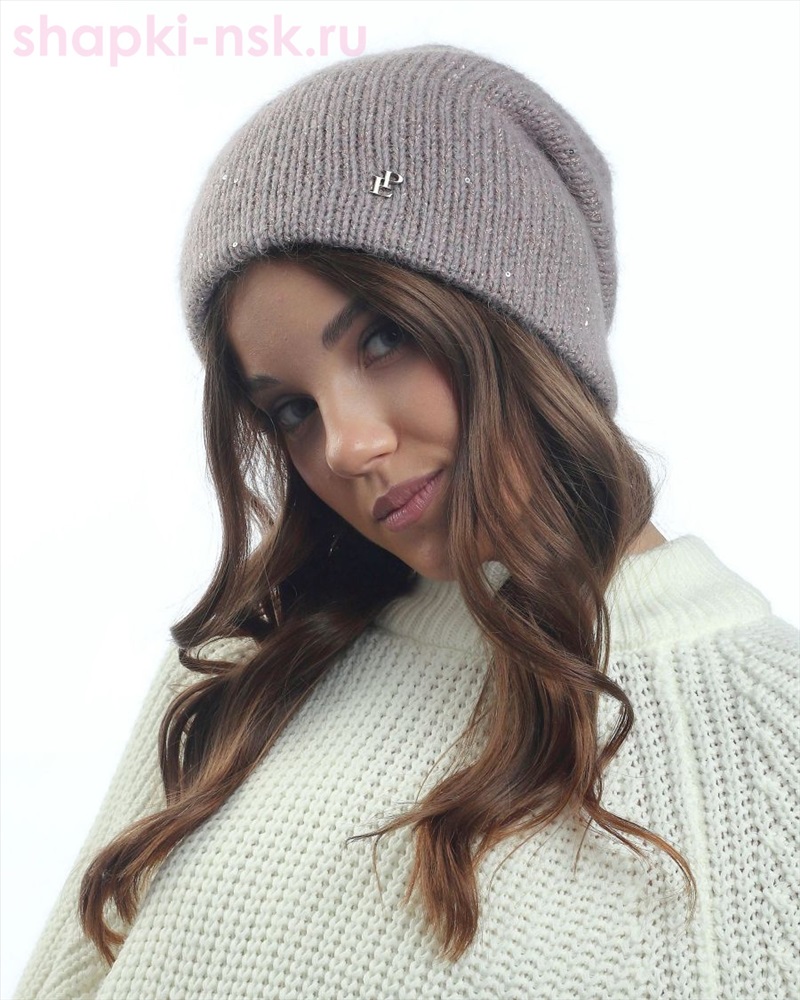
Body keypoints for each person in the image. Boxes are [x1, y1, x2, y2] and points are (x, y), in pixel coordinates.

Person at [15, 44, 799, 1000]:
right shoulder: (248, 671)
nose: (345, 447)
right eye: (290, 409)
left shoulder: (774, 748)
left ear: (525, 319)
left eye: (383, 339)